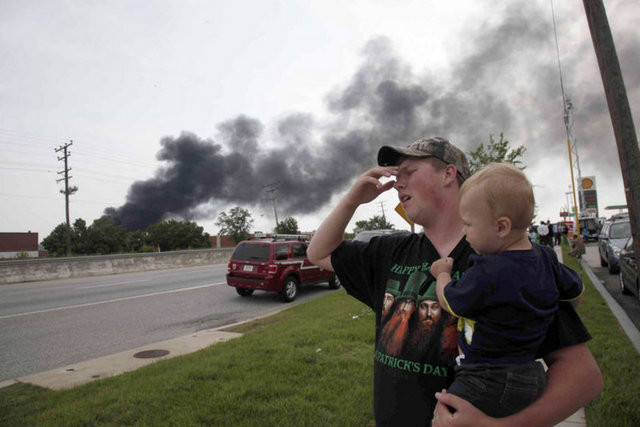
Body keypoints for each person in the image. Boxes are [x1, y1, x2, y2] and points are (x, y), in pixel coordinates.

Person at [307, 136, 602, 426]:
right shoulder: (391, 251)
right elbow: (318, 252)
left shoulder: (512, 260)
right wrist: (352, 200)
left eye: (408, 173)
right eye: (397, 176)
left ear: (449, 173)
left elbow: (583, 376)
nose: (398, 183)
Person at [429, 163, 584, 417]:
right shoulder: (545, 258)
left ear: (501, 227)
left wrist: (442, 273)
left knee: (445, 417)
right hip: (532, 374)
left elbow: (449, 301)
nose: (463, 230)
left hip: (485, 376)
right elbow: (576, 293)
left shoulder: (487, 270)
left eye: (468, 224)